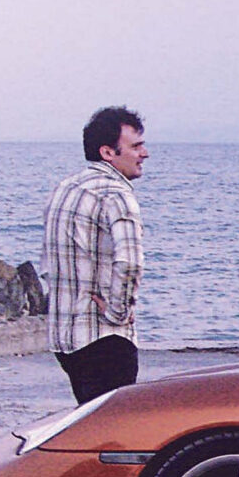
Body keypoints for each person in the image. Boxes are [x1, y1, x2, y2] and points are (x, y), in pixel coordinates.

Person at [41, 106, 149, 404]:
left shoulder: (66, 189)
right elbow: (130, 263)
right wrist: (118, 313)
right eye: (136, 146)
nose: (145, 153)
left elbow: (50, 263)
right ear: (108, 152)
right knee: (113, 426)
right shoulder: (116, 194)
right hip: (103, 337)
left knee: (89, 418)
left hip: (65, 339)